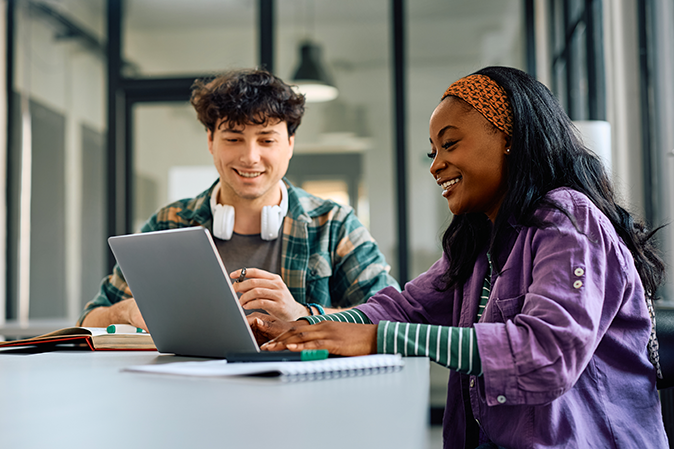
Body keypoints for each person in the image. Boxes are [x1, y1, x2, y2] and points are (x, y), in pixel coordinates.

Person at [248, 66, 669, 448]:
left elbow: (547, 353)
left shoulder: (567, 218)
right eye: (433, 151)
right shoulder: (482, 239)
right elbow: (405, 306)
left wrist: (379, 338)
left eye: (449, 144)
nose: (436, 165)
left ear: (509, 137)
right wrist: (310, 327)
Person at [78, 68, 398, 329]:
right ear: (210, 141)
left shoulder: (334, 225)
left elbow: (393, 315)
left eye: (266, 139)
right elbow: (89, 319)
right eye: (233, 138)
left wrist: (302, 313)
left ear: (290, 143)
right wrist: (129, 311)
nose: (250, 157)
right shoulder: (168, 224)